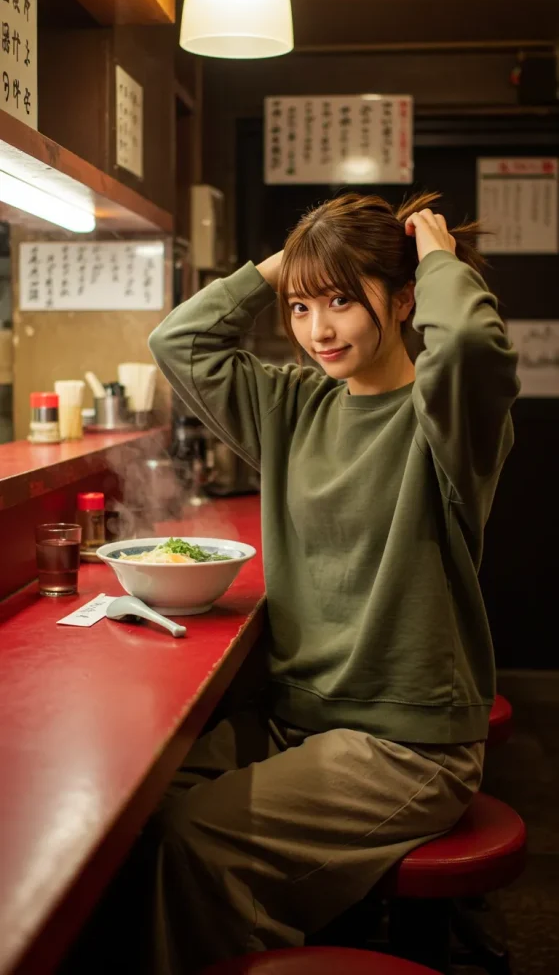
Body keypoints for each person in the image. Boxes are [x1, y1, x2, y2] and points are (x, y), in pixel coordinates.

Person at [145, 192, 519, 974]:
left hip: (409, 746)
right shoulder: (292, 406)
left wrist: (434, 253)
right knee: (141, 805)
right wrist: (301, 256)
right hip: (300, 721)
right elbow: (178, 341)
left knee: (200, 837)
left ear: (406, 296)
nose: (317, 330)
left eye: (342, 301)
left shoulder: (441, 416)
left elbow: (474, 347)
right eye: (300, 307)